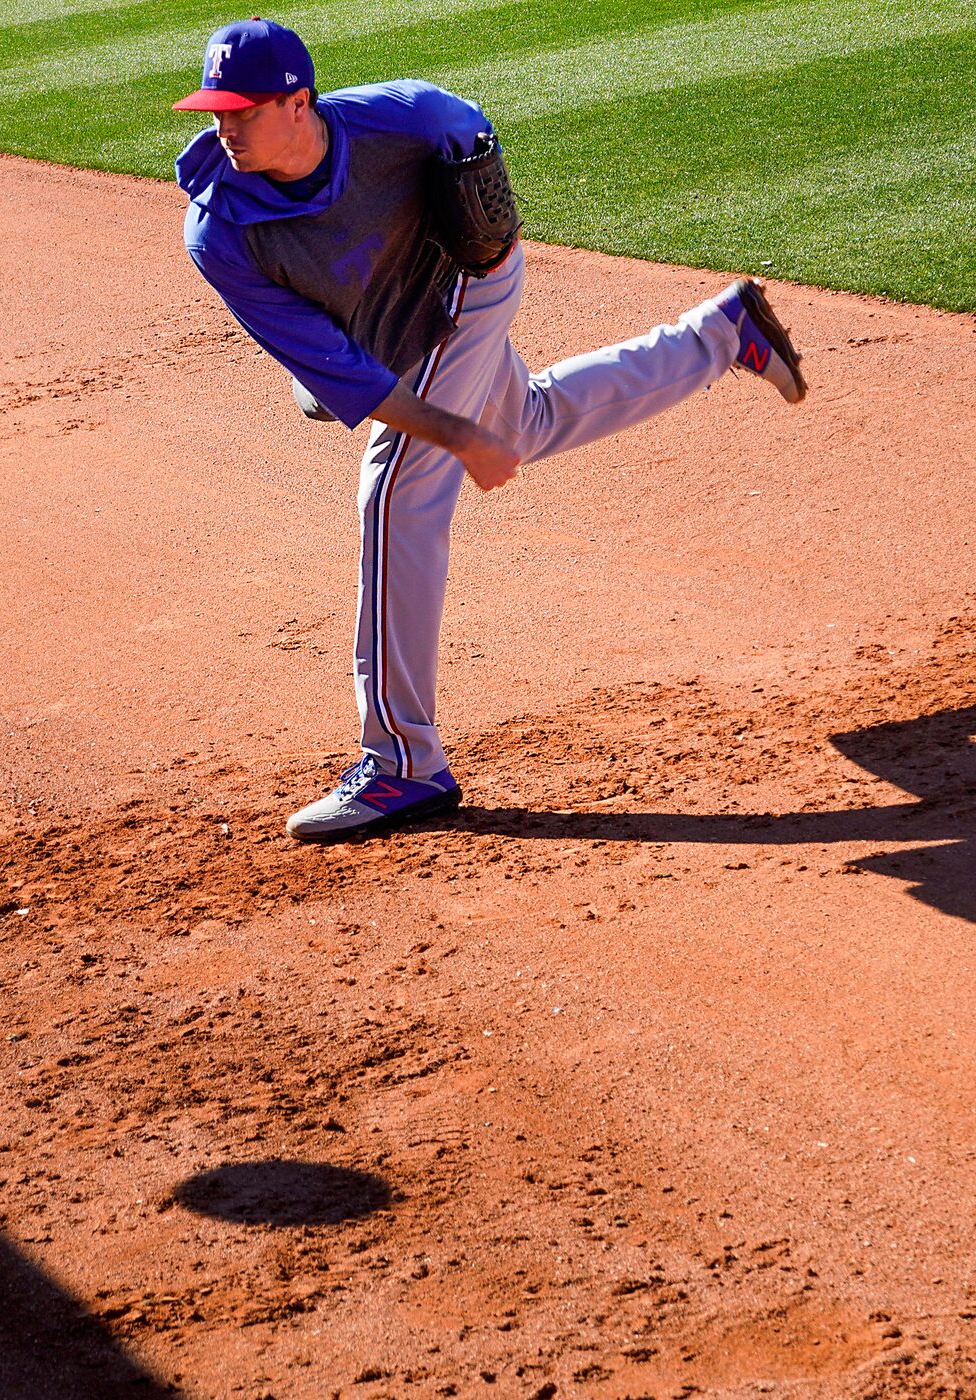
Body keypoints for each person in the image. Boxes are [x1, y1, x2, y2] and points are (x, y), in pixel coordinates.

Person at [174, 18, 807, 841]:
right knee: (524, 420)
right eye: (214, 111)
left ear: (299, 103)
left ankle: (402, 763)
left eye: (241, 110)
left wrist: (485, 190)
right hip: (388, 341)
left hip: (468, 288)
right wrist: (459, 431)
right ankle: (723, 333)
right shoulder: (219, 230)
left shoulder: (396, 118)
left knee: (395, 494)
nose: (223, 128)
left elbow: (463, 121)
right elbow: (350, 381)